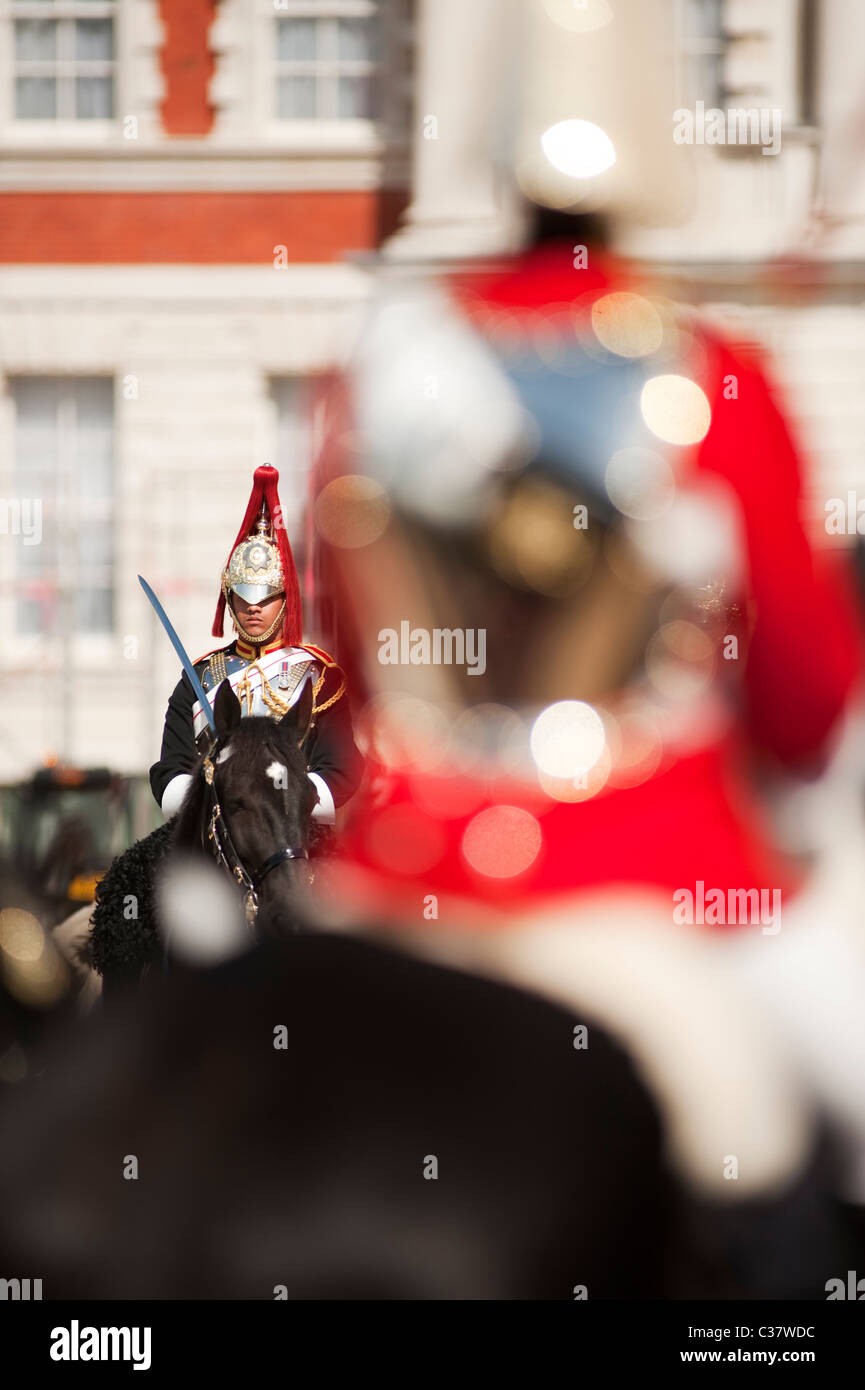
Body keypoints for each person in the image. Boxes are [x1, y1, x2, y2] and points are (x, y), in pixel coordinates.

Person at [150, 464, 363, 824]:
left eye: (265, 596)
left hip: (294, 830)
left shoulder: (319, 677)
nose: (253, 606)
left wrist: (281, 798)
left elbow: (340, 768)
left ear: (285, 600)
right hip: (216, 830)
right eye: (243, 595)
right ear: (229, 599)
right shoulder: (198, 678)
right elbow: (172, 767)